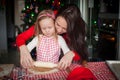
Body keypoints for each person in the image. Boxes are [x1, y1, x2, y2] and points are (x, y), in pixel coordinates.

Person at [16, 4, 97, 80]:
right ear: (55, 17)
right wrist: (23, 49)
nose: (58, 30)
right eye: (57, 24)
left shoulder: (77, 29)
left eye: (65, 29)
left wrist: (71, 54)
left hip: (60, 63)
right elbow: (21, 37)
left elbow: (81, 53)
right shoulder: (48, 19)